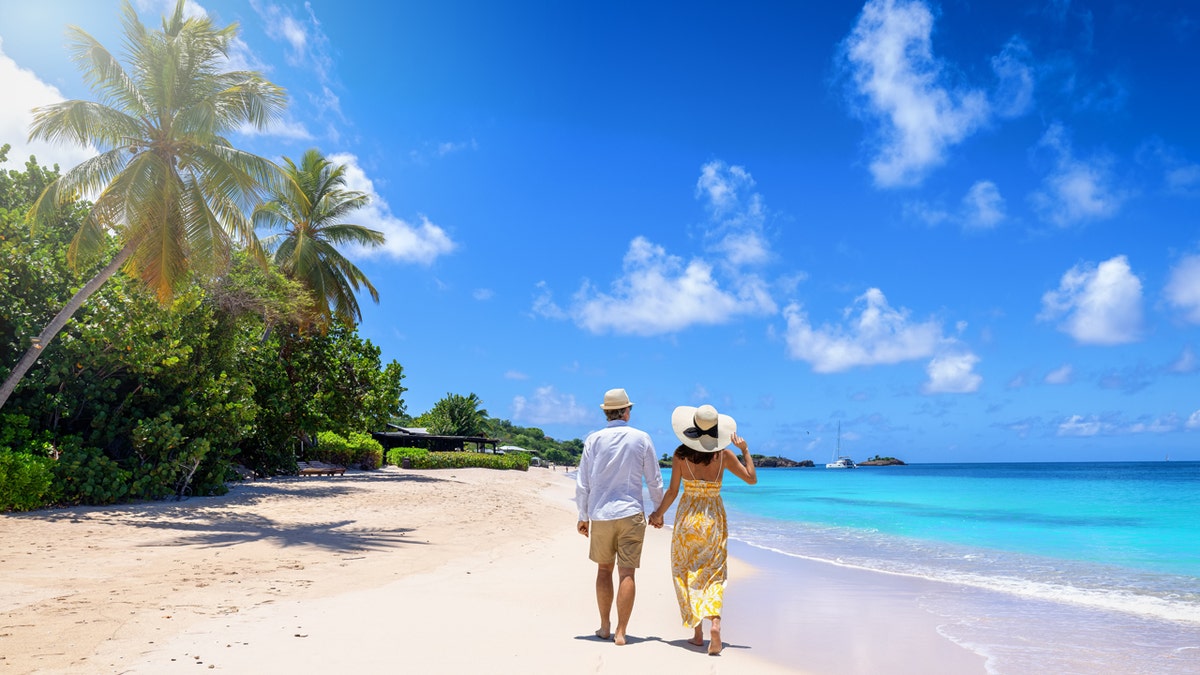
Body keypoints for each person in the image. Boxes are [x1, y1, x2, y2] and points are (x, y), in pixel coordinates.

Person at [648, 404, 756, 656]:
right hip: (713, 518)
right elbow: (751, 479)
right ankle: (715, 623)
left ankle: (697, 635)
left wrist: (657, 514)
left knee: (685, 570)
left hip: (687, 518)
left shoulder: (679, 455)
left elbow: (673, 491)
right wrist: (745, 450)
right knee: (713, 573)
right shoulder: (725, 456)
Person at [575, 388, 665, 646]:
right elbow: (654, 480)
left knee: (604, 570)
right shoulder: (641, 438)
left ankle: (605, 627)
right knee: (627, 574)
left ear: (606, 412)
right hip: (630, 513)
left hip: (601, 513)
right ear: (625, 412)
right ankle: (621, 632)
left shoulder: (593, 439)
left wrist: (583, 515)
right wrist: (657, 511)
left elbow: (583, 481)